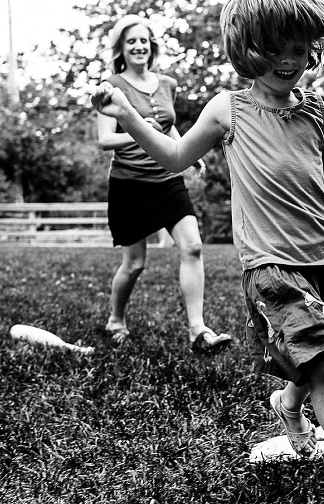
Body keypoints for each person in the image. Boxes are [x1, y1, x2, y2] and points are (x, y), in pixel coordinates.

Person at [91, 1, 324, 504]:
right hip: (271, 264)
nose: (288, 59)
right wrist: (130, 117)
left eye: (298, 48)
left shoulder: (316, 109)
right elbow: (176, 157)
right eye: (273, 48)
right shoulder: (229, 109)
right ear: (247, 49)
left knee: (316, 357)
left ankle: (289, 405)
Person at [96, 14, 232, 353]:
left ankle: (197, 330)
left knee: (193, 247)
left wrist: (188, 149)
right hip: (130, 183)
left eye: (144, 40)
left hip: (167, 178)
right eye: (131, 41)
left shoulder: (166, 83)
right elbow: (104, 140)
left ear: (152, 46)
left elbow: (167, 126)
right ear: (121, 49)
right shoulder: (110, 86)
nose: (139, 46)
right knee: (135, 264)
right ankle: (116, 318)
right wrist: (139, 130)